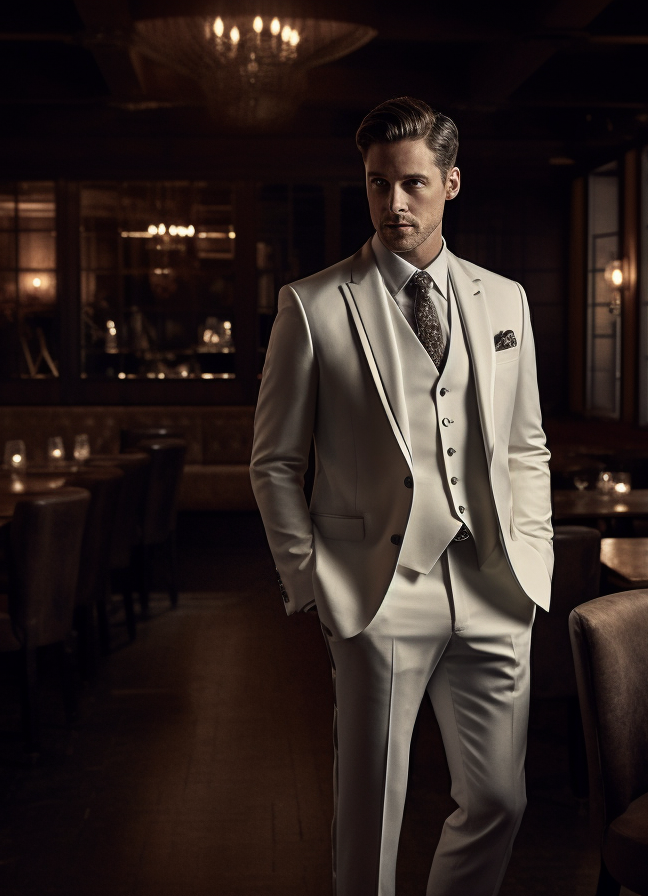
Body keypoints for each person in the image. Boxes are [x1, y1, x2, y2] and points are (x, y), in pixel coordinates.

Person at [250, 96, 553, 896]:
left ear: (452, 183)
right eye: (378, 183)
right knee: (371, 807)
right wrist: (313, 580)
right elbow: (274, 462)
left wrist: (534, 550)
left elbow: (526, 444)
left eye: (413, 183)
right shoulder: (313, 306)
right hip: (378, 589)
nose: (393, 202)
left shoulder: (506, 300)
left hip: (494, 583)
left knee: (499, 797)